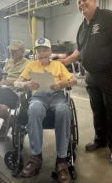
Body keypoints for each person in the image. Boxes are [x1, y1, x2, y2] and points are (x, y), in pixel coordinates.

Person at [61, 0, 112, 165]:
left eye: (84, 0)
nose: (81, 4)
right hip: (92, 76)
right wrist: (66, 60)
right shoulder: (83, 27)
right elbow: (80, 50)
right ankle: (101, 140)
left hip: (111, 74)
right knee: (97, 110)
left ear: (94, 0)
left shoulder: (108, 17)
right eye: (78, 2)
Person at [15, 38, 77, 183]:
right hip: (39, 96)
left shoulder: (58, 65)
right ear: (36, 53)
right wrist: (26, 84)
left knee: (63, 111)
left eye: (44, 50)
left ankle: (61, 160)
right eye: (39, 50)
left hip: (57, 95)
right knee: (34, 109)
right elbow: (16, 82)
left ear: (50, 51)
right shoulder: (31, 65)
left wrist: (64, 83)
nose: (42, 53)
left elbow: (74, 81)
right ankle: (35, 157)